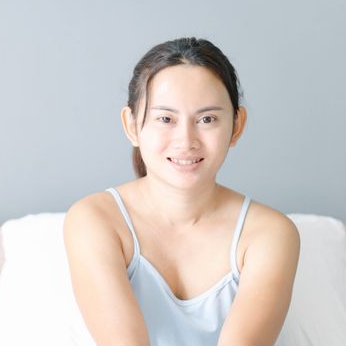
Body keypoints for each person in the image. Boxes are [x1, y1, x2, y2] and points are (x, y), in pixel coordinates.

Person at [63, 37, 300, 346]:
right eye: (165, 119)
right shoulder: (95, 220)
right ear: (132, 125)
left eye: (207, 119)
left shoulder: (270, 233)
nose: (186, 140)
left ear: (237, 126)